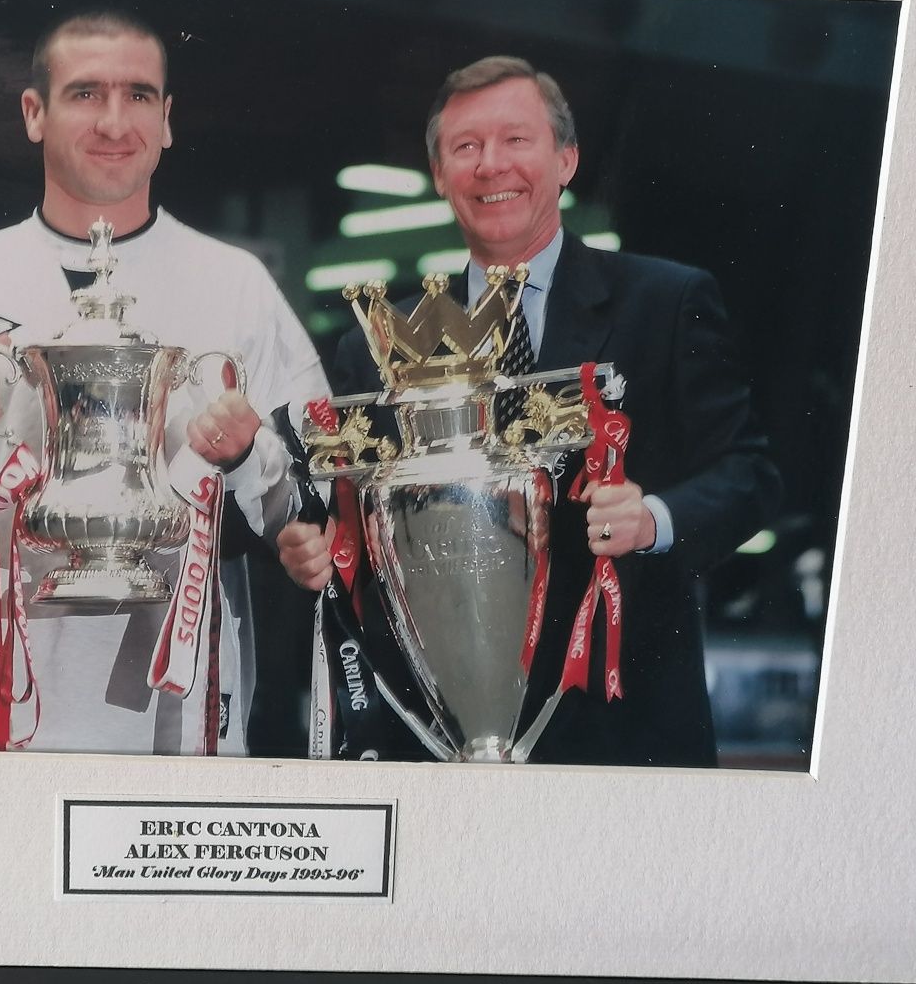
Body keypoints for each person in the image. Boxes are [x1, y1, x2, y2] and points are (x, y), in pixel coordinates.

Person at [0, 10, 326, 755]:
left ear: (167, 120)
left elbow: (311, 507)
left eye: (139, 95)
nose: (115, 121)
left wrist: (250, 457)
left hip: (176, 723)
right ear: (33, 113)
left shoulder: (235, 289)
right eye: (85, 93)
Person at [279, 56, 780, 767]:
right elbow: (347, 520)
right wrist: (314, 542)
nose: (492, 166)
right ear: (440, 176)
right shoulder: (381, 346)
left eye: (516, 140)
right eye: (466, 147)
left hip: (621, 731)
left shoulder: (663, 304)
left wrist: (652, 522)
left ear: (567, 159)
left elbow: (751, 478)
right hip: (434, 735)